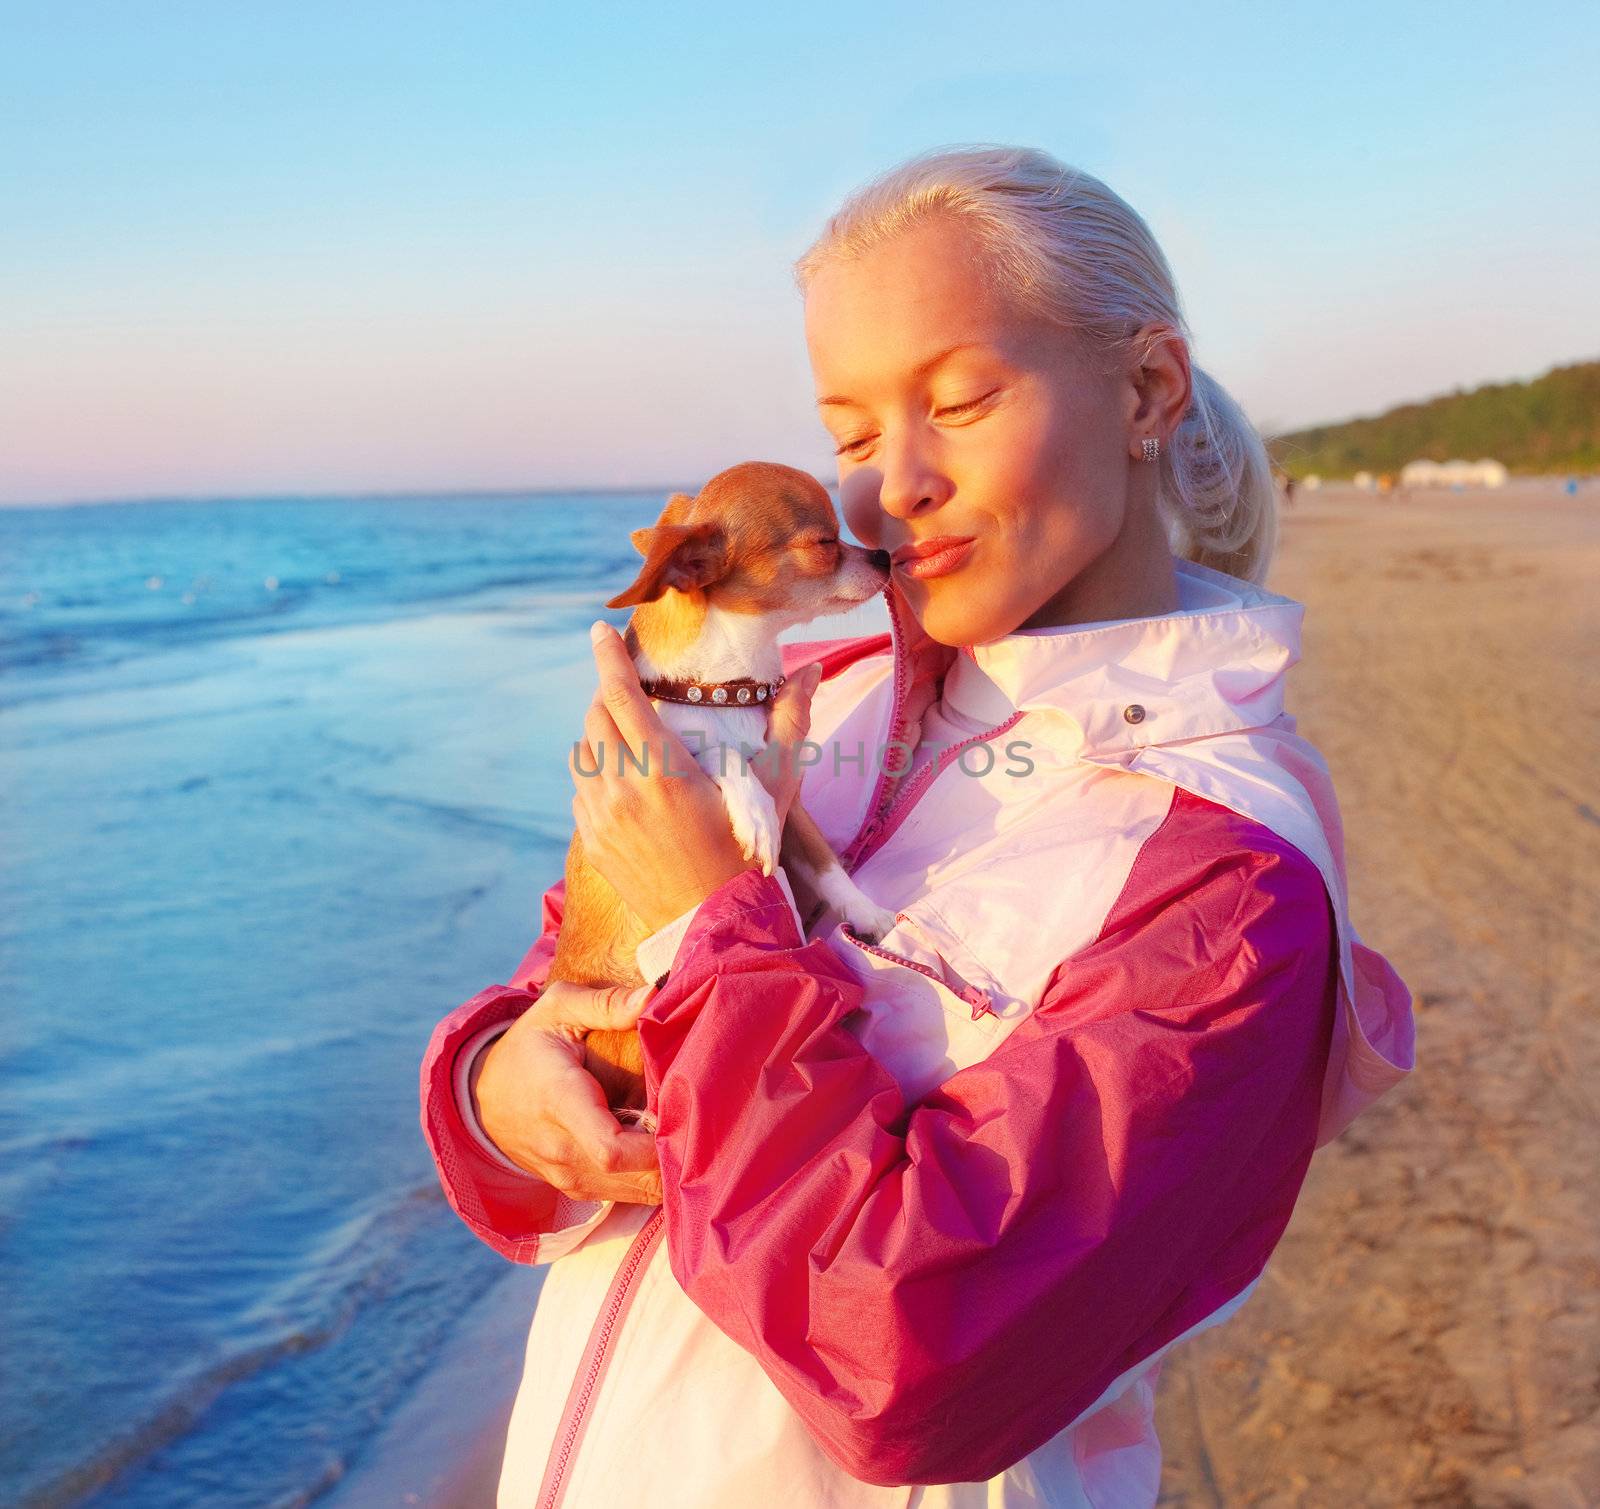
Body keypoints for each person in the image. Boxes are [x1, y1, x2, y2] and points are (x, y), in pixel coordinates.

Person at [419, 146, 1416, 1508]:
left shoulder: (1228, 879)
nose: (895, 488)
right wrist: (494, 1092)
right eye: (851, 434)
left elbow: (915, 1364)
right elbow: (556, 981)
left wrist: (708, 930)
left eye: (959, 399)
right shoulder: (805, 696)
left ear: (1144, 388)